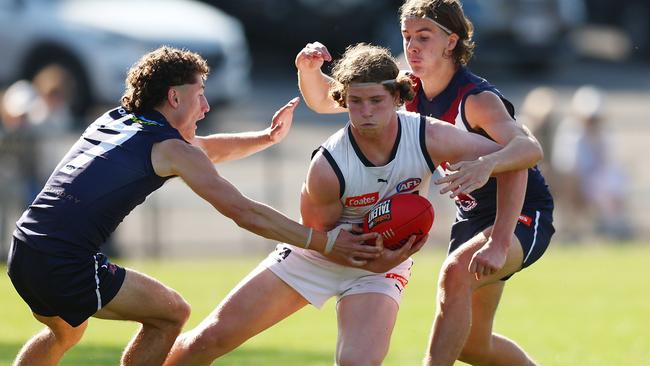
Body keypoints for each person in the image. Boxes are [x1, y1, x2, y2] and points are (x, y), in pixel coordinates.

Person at [6, 46, 381, 366]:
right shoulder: (169, 148)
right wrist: (326, 243)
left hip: (23, 249)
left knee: (65, 332)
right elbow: (244, 212)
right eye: (199, 93)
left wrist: (266, 137)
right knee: (172, 313)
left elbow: (203, 150)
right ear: (174, 97)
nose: (204, 106)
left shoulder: (117, 120)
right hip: (62, 262)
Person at [164, 44, 527, 366]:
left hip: (382, 263)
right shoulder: (328, 166)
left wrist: (499, 236)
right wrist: (370, 252)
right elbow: (318, 236)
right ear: (342, 100)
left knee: (358, 362)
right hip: (320, 252)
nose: (366, 111)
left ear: (398, 98)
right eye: (355, 101)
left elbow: (515, 160)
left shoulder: (430, 135)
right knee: (208, 339)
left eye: (376, 101)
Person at [294, 0, 555, 365]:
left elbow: (528, 150)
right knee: (472, 346)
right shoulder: (406, 88)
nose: (412, 46)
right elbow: (326, 99)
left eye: (424, 36)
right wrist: (308, 70)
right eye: (406, 36)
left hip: (522, 212)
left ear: (451, 42)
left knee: (455, 275)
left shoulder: (476, 99)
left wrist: (497, 231)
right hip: (473, 217)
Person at [551, 85, 631, 240]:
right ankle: (573, 226)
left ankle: (611, 225)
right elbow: (567, 167)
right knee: (572, 182)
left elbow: (609, 166)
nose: (592, 122)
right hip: (576, 182)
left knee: (613, 182)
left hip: (597, 183)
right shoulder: (571, 133)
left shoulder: (606, 134)